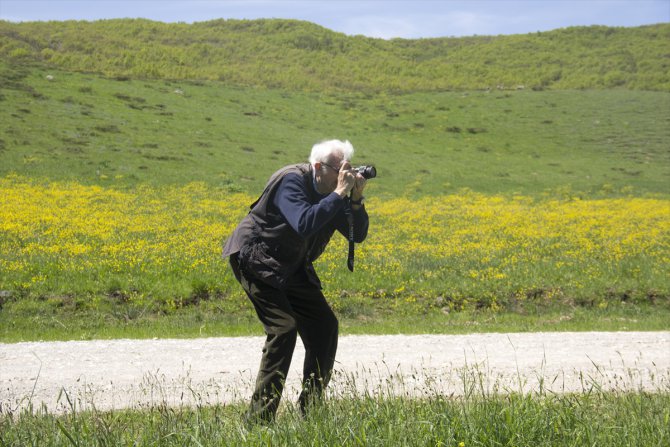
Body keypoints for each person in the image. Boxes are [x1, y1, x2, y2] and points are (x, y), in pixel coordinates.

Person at [222, 139, 369, 422]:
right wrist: (339, 193)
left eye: (346, 168)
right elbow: (303, 222)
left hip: (291, 264)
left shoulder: (334, 192)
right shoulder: (291, 181)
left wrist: (355, 199)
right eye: (338, 168)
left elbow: (357, 234)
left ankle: (311, 411)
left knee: (325, 326)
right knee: (284, 327)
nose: (344, 174)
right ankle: (258, 421)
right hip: (256, 257)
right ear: (317, 167)